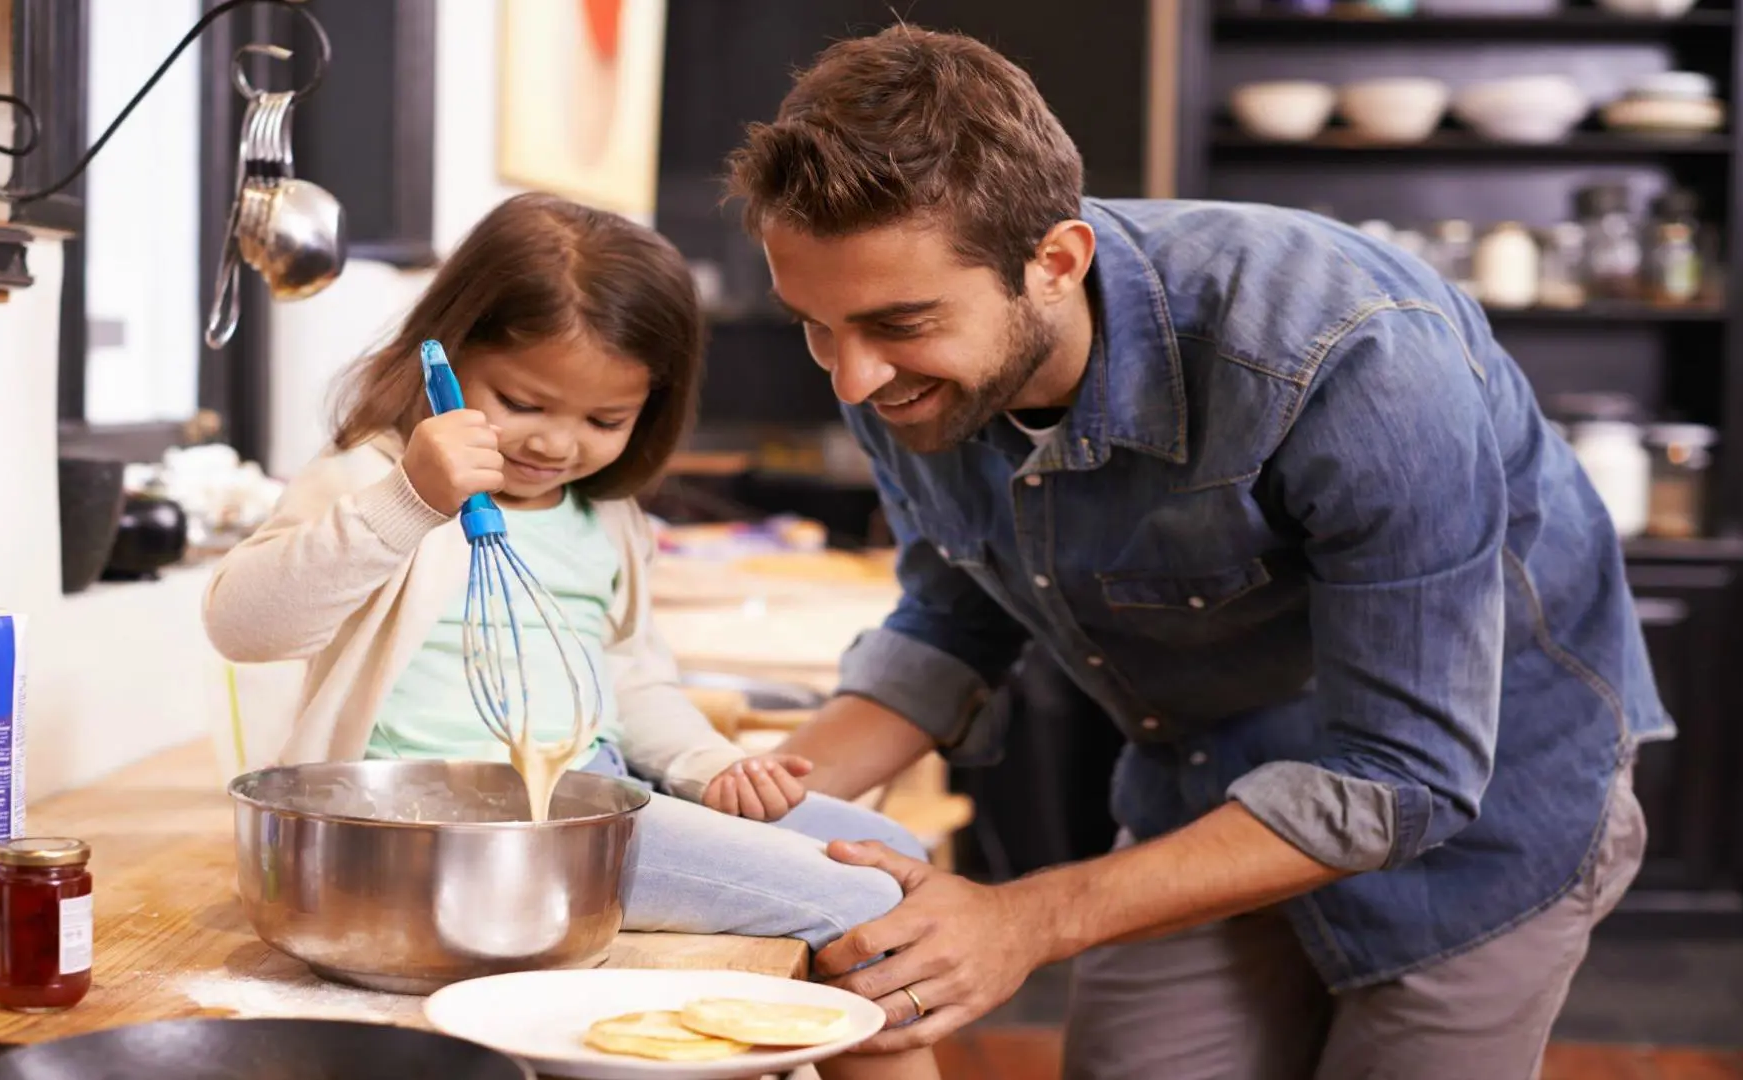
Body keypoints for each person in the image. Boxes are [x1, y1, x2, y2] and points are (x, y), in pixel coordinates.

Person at [722, 25, 1669, 1080]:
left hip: (1481, 808)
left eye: (899, 323)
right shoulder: (897, 366)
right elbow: (955, 615)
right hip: (1210, 784)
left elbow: (1405, 776)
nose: (852, 379)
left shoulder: (1350, 352)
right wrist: (738, 807)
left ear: (1055, 263)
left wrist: (1030, 919)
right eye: (815, 326)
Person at [202, 191, 941, 1080]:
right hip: (447, 838)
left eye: (605, 420)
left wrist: (708, 766)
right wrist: (411, 502)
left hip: (591, 804)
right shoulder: (373, 480)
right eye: (524, 401)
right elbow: (243, 624)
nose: (557, 444)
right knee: (864, 903)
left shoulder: (606, 517)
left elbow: (628, 677)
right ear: (445, 352)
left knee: (902, 855)